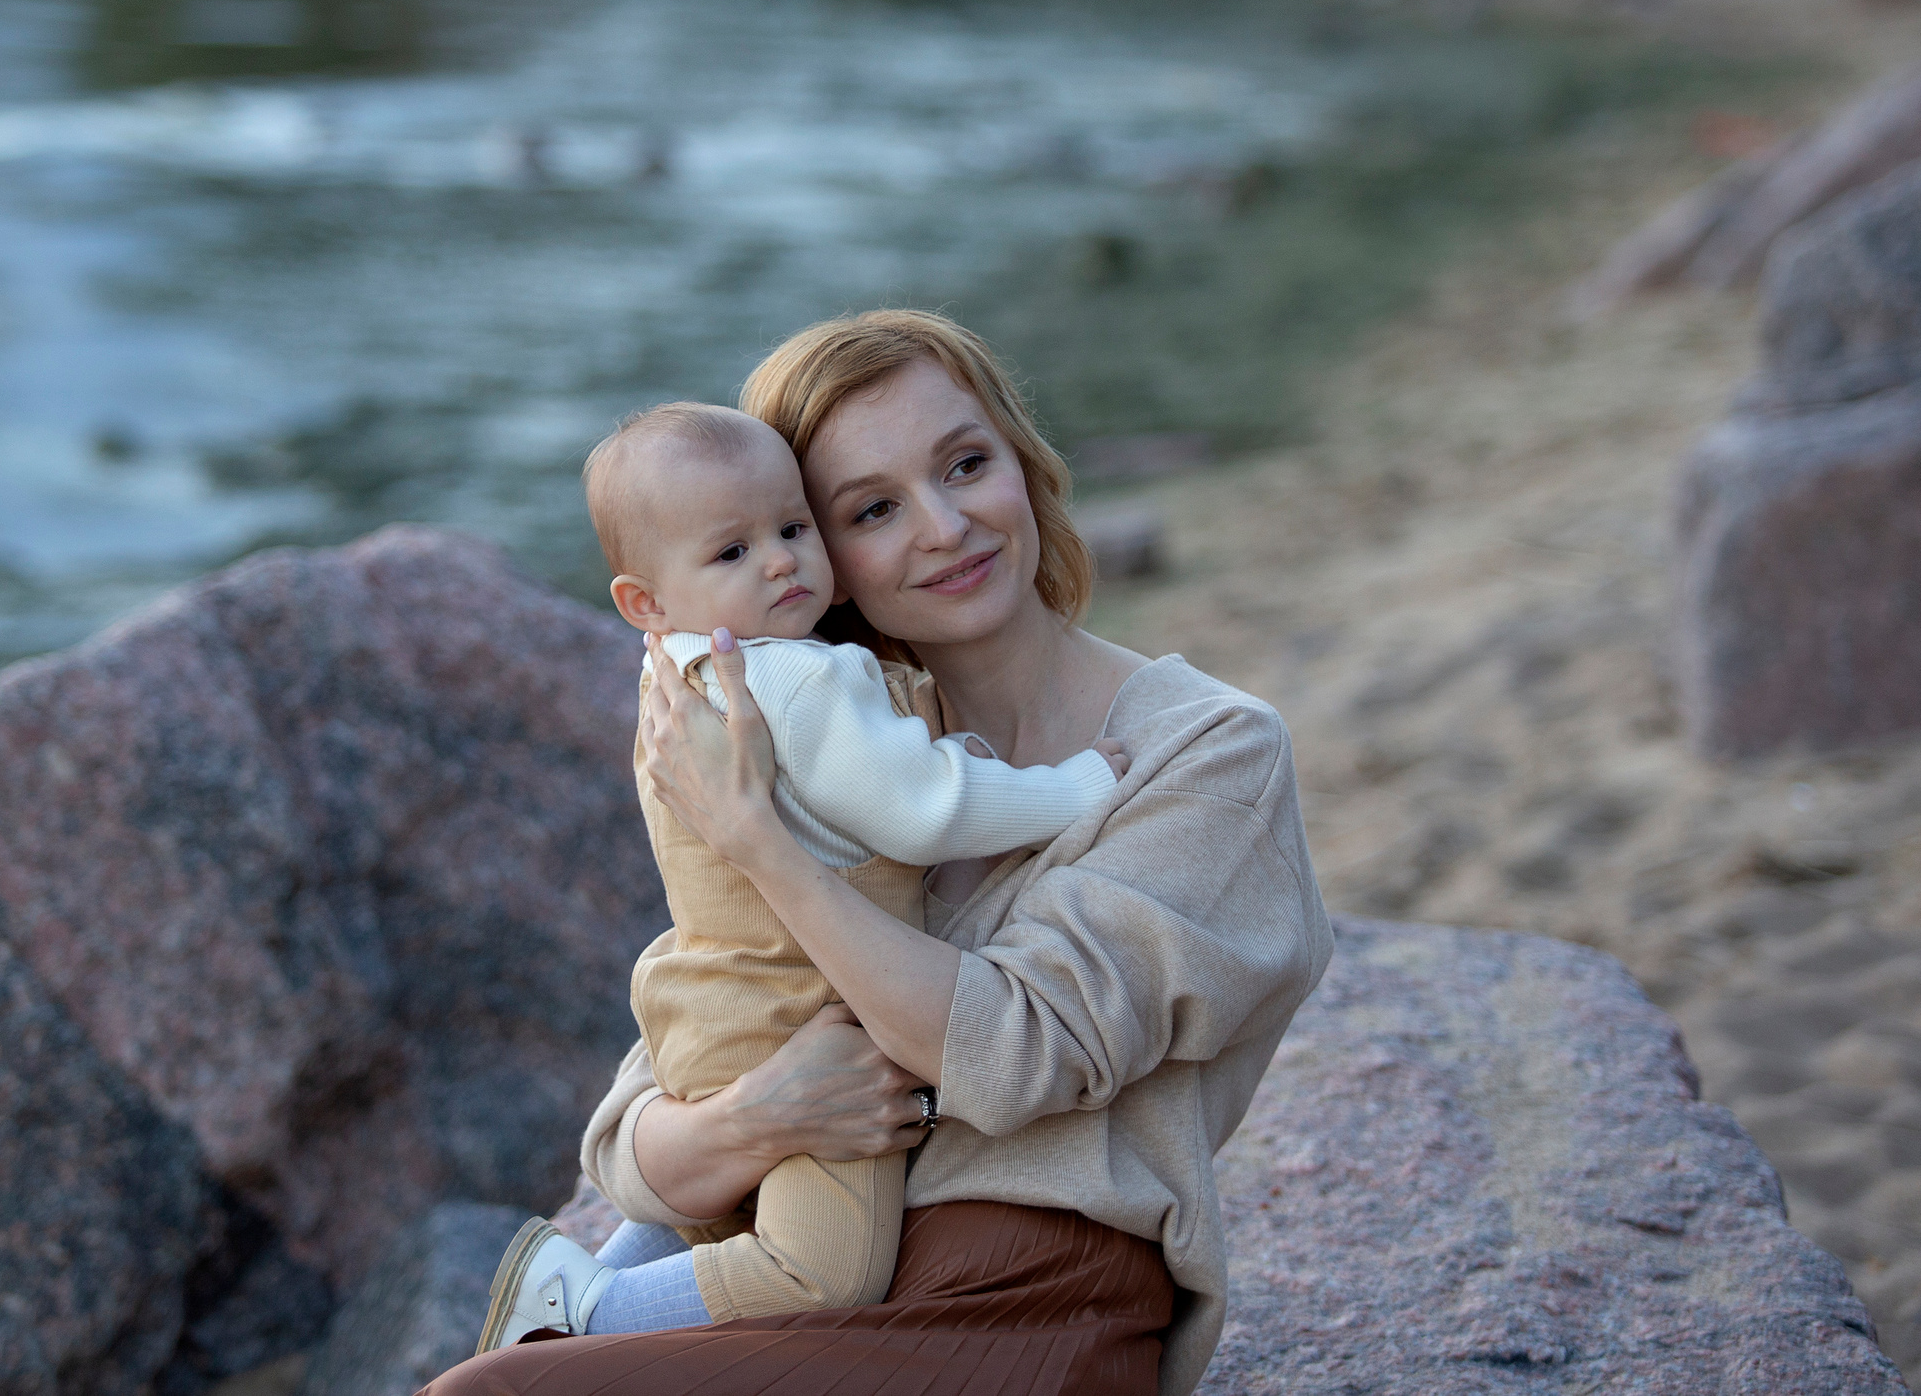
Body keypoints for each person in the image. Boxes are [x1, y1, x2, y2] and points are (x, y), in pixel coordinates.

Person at [425, 308, 1333, 1396]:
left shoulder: (1206, 751)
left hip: (1026, 1302)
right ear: (821, 549)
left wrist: (763, 848)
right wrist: (757, 1115)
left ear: (1022, 459)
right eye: (872, 508)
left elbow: (1015, 1053)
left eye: (965, 463)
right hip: (799, 1274)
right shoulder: (818, 733)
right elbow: (634, 1136)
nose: (944, 527)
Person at [474, 401, 1128, 1349]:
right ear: (643, 603)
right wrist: (1079, 786)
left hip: (705, 1005)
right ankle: (588, 1312)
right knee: (825, 1267)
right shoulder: (797, 680)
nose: (781, 561)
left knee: (719, 1212)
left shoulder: (674, 679)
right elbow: (926, 808)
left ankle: (597, 1275)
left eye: (790, 528)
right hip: (798, 1015)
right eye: (732, 552)